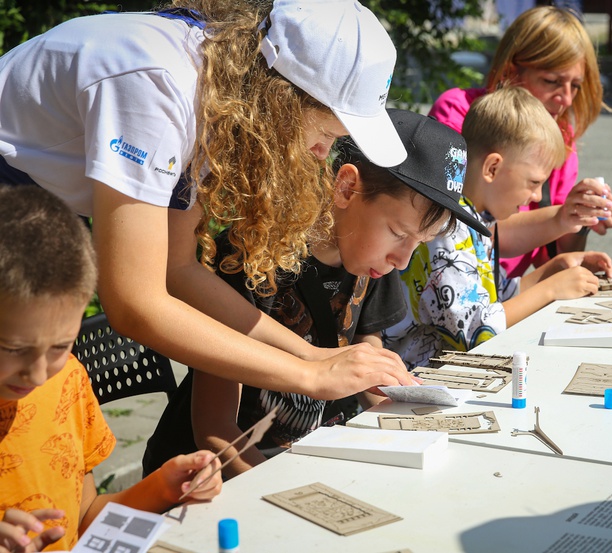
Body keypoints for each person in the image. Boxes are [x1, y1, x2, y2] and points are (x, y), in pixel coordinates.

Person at [0, 0, 415, 408]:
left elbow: (177, 268)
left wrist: (313, 354)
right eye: (326, 133)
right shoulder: (158, 87)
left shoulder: (219, 89)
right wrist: (310, 377)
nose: (323, 155)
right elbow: (133, 303)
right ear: (283, 99)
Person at [142, 109, 492, 478]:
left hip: (305, 459)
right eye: (398, 233)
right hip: (208, 479)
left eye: (419, 243)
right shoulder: (251, 256)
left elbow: (368, 366)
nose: (402, 260)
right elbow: (215, 430)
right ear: (347, 188)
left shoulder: (371, 260)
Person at [0, 186, 223, 553]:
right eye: (13, 349)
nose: (38, 375)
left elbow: (86, 516)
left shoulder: (67, 380)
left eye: (59, 346)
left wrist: (163, 487)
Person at [384, 87, 612, 369]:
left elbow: (498, 296)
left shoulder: (476, 219)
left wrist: (554, 269)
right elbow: (474, 331)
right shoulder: (446, 228)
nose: (536, 196)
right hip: (420, 380)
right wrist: (550, 290)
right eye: (533, 182)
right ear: (492, 168)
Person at [428, 5, 612, 279]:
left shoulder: (560, 134)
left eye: (576, 85)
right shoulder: (459, 111)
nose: (567, 99)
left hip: (503, 289)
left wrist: (583, 216)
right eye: (552, 81)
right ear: (510, 72)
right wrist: (560, 217)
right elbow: (458, 226)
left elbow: (548, 256)